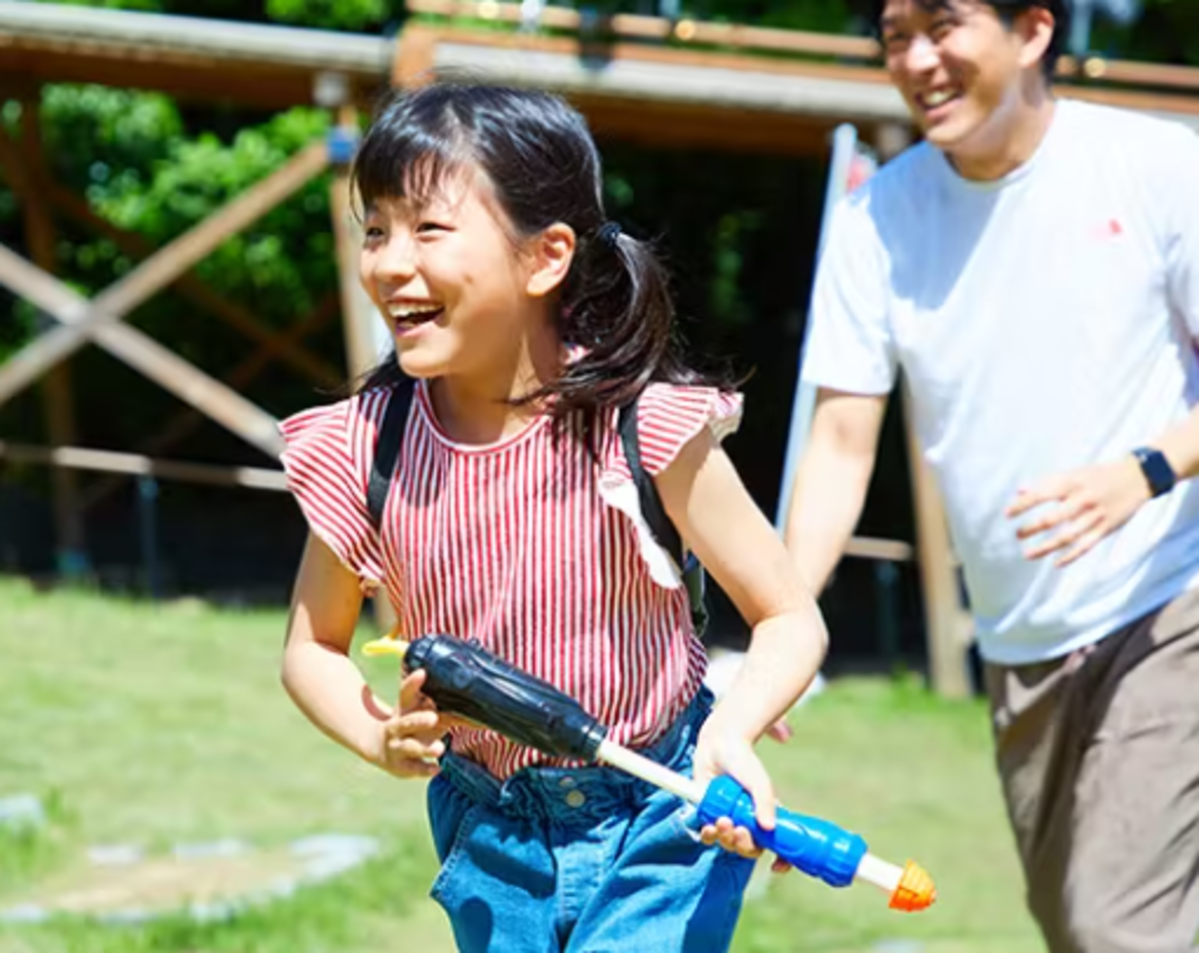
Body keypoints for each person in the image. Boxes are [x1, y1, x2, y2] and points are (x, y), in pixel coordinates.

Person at [277, 81, 828, 953]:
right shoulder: (366, 448)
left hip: (661, 808)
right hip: (486, 829)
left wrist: (732, 729)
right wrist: (378, 736)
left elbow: (789, 615)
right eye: (374, 228)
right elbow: (311, 646)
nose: (386, 260)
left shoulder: (640, 425)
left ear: (546, 257)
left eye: (428, 228)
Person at [785, 0, 1199, 949]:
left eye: (943, 25)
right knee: (1069, 922)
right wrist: (784, 621)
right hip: (1021, 644)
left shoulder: (1151, 165)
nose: (917, 58)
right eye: (896, 35)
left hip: (1168, 599)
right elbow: (841, 446)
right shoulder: (874, 220)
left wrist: (1143, 472)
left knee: (1115, 925)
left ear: (1033, 30)